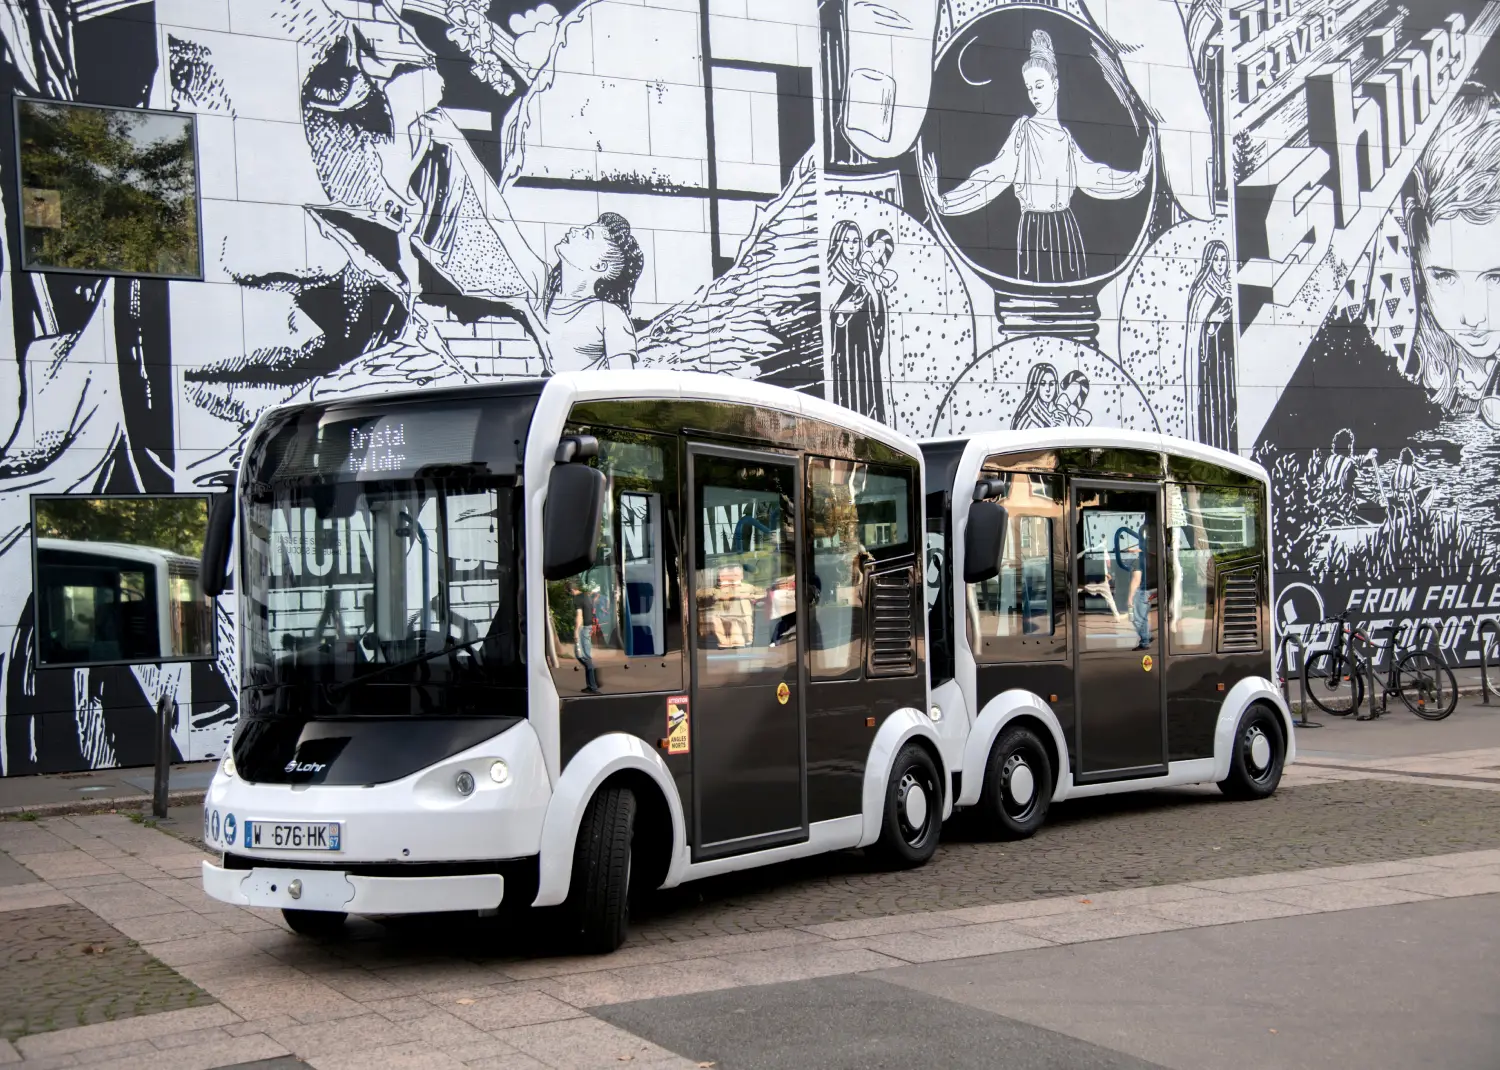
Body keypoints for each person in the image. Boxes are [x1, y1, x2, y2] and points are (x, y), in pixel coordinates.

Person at [920, 29, 1151, 283]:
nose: (1035, 95)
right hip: (1034, 230)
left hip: (1065, 228)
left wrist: (1136, 178)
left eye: (1040, 86)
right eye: (1030, 88)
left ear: (1055, 84)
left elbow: (1093, 175)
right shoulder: (1024, 131)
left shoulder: (1066, 138)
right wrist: (947, 201)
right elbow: (993, 175)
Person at [1405, 85, 1500, 423]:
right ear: (1416, 259)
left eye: (1496, 277)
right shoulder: (1404, 369)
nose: (1474, 317)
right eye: (1445, 276)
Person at [827, 220, 893, 421]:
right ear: (838, 243)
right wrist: (841, 309)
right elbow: (828, 313)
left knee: (867, 393)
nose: (851, 246)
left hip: (865, 345)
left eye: (855, 241)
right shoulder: (832, 273)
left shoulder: (864, 273)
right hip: (845, 348)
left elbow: (878, 314)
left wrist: (873, 291)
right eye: (846, 241)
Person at [1184, 239, 1237, 449]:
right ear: (1208, 261)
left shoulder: (1230, 290)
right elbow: (1197, 331)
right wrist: (1212, 321)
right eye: (1216, 259)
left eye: (1224, 259)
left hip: (1227, 361)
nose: (1220, 263)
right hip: (1210, 367)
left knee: (1228, 407)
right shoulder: (1203, 290)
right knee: (1212, 409)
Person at [1123, 522, 1153, 650]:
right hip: (1156, 587)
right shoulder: (1154, 554)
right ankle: (1148, 634)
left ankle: (1145, 641)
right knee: (1144, 614)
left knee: (1137, 615)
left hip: (1145, 589)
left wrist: (1130, 598)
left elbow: (1136, 579)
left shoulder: (1138, 560)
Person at [569, 580, 600, 693]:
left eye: (569, 592)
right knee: (585, 656)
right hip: (589, 627)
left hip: (583, 628)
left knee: (583, 656)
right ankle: (591, 685)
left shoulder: (577, 599)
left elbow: (579, 616)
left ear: (572, 590)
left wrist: (576, 632)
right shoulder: (586, 595)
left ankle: (593, 686)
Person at [1012, 363, 1063, 429]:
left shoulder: (1058, 414)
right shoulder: (1028, 420)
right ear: (1035, 387)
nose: (1048, 389)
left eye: (1051, 384)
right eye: (1042, 384)